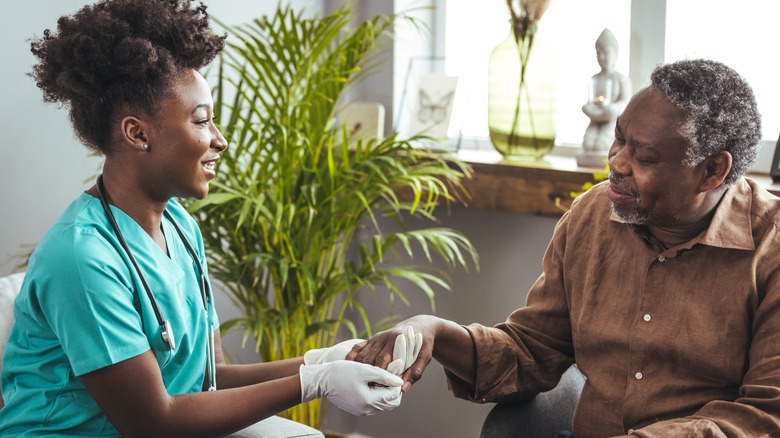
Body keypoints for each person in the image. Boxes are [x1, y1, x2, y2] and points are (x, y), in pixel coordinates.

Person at [0, 1, 413, 436]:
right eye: (202, 121)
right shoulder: (81, 258)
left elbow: (209, 377)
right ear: (137, 133)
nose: (221, 140)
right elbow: (153, 421)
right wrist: (313, 385)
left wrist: (324, 361)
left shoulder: (180, 227)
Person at [348, 58, 780, 437]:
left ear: (712, 171)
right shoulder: (592, 215)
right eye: (619, 139)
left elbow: (764, 416)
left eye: (645, 156)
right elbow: (534, 350)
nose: (616, 162)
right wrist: (435, 331)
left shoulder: (772, 248)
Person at [577, 28, 631, 168]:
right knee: (588, 144)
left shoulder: (621, 79)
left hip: (612, 120)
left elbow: (626, 103)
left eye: (606, 53)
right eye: (599, 53)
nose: (602, 57)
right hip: (596, 119)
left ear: (615, 54)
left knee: (602, 145)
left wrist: (611, 109)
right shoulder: (595, 79)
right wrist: (589, 109)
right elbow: (591, 102)